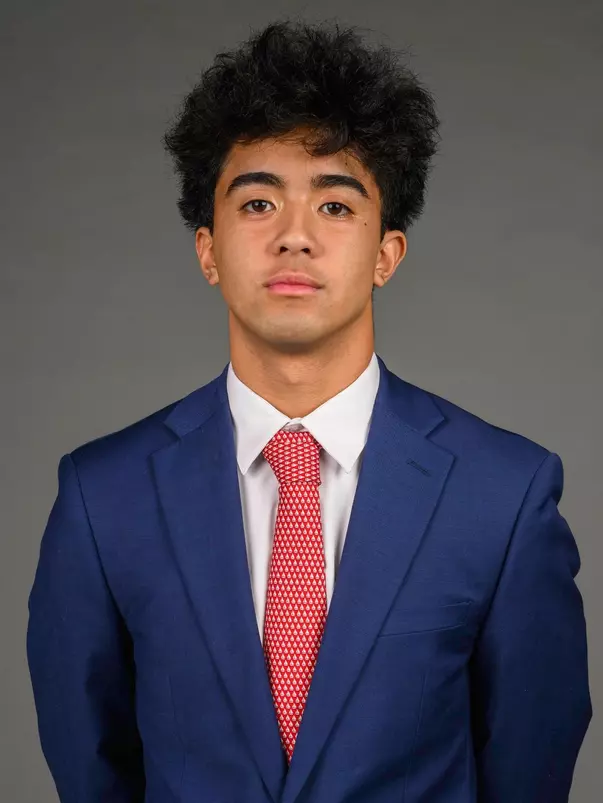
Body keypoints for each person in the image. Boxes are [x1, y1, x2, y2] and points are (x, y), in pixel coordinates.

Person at [26, 18, 592, 803]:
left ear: (387, 253)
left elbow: (530, 763)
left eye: (334, 207)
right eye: (257, 203)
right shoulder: (102, 496)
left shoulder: (503, 493)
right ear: (208, 250)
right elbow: (92, 763)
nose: (294, 237)